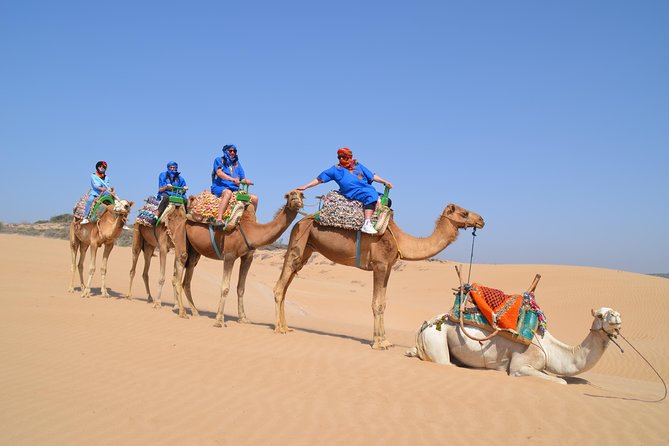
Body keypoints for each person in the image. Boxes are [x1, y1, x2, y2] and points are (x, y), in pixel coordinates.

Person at [297, 147, 392, 234]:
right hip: (353, 191)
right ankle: (367, 223)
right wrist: (306, 186)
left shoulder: (358, 166)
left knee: (386, 200)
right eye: (339, 157)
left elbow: (372, 176)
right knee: (370, 195)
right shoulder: (335, 169)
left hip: (365, 188)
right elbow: (319, 179)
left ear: (349, 157)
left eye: (343, 157)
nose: (341, 159)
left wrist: (384, 181)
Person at [211, 144, 258, 227]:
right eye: (230, 151)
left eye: (234, 151)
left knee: (254, 198)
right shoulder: (219, 160)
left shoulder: (237, 164)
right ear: (226, 151)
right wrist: (231, 179)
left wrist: (246, 181)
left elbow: (242, 178)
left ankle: (252, 220)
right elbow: (219, 173)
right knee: (228, 193)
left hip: (235, 189)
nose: (232, 153)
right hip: (220, 187)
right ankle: (219, 219)